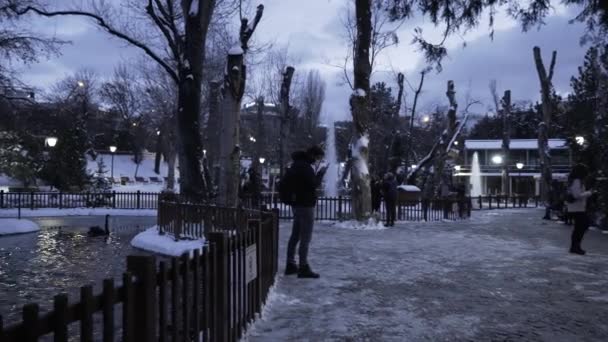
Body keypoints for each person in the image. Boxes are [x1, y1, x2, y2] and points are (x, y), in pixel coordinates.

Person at [284, 145, 327, 278]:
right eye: (318, 157)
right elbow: (312, 184)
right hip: (305, 205)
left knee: (295, 235)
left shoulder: (297, 164)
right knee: (305, 237)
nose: (317, 160)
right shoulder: (305, 167)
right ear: (313, 155)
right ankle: (303, 267)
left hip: (297, 204)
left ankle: (290, 264)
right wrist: (320, 174)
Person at [567, 163, 594, 255]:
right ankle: (575, 247)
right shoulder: (577, 181)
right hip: (577, 208)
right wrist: (589, 193)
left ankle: (575, 246)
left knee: (579, 228)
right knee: (581, 227)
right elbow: (577, 195)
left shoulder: (575, 180)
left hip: (576, 208)